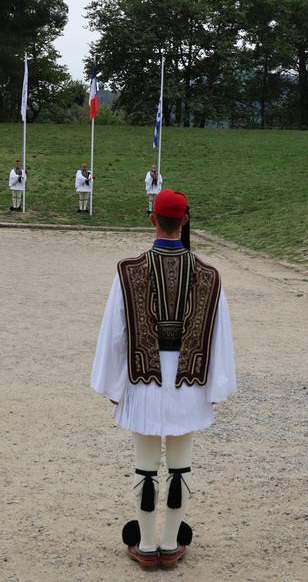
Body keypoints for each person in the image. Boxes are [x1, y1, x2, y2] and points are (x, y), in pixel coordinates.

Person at [91, 189, 237, 570]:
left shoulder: (130, 270)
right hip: (190, 381)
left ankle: (145, 544)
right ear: (185, 220)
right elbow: (220, 334)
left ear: (152, 219)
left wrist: (113, 385)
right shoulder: (209, 274)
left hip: (143, 380)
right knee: (179, 466)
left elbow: (115, 333)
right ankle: (171, 545)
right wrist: (216, 387)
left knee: (144, 465)